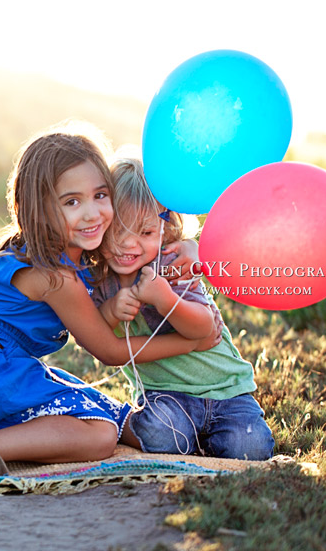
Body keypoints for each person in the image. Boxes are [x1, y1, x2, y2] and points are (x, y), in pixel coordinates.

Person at [0, 126, 219, 475]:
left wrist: (189, 246)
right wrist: (193, 342)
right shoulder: (57, 277)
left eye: (101, 195)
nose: (92, 213)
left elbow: (143, 242)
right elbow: (111, 352)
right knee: (101, 433)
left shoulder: (31, 245)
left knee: (106, 410)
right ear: (39, 210)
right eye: (72, 202)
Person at [93, 157, 274, 460]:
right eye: (117, 231)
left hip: (225, 391)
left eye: (145, 233)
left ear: (165, 231)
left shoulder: (172, 266)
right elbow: (96, 334)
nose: (128, 245)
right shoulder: (102, 282)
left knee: (249, 449)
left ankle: (212, 440)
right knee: (159, 434)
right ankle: (189, 441)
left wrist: (165, 298)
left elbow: (205, 328)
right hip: (165, 395)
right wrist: (111, 311)